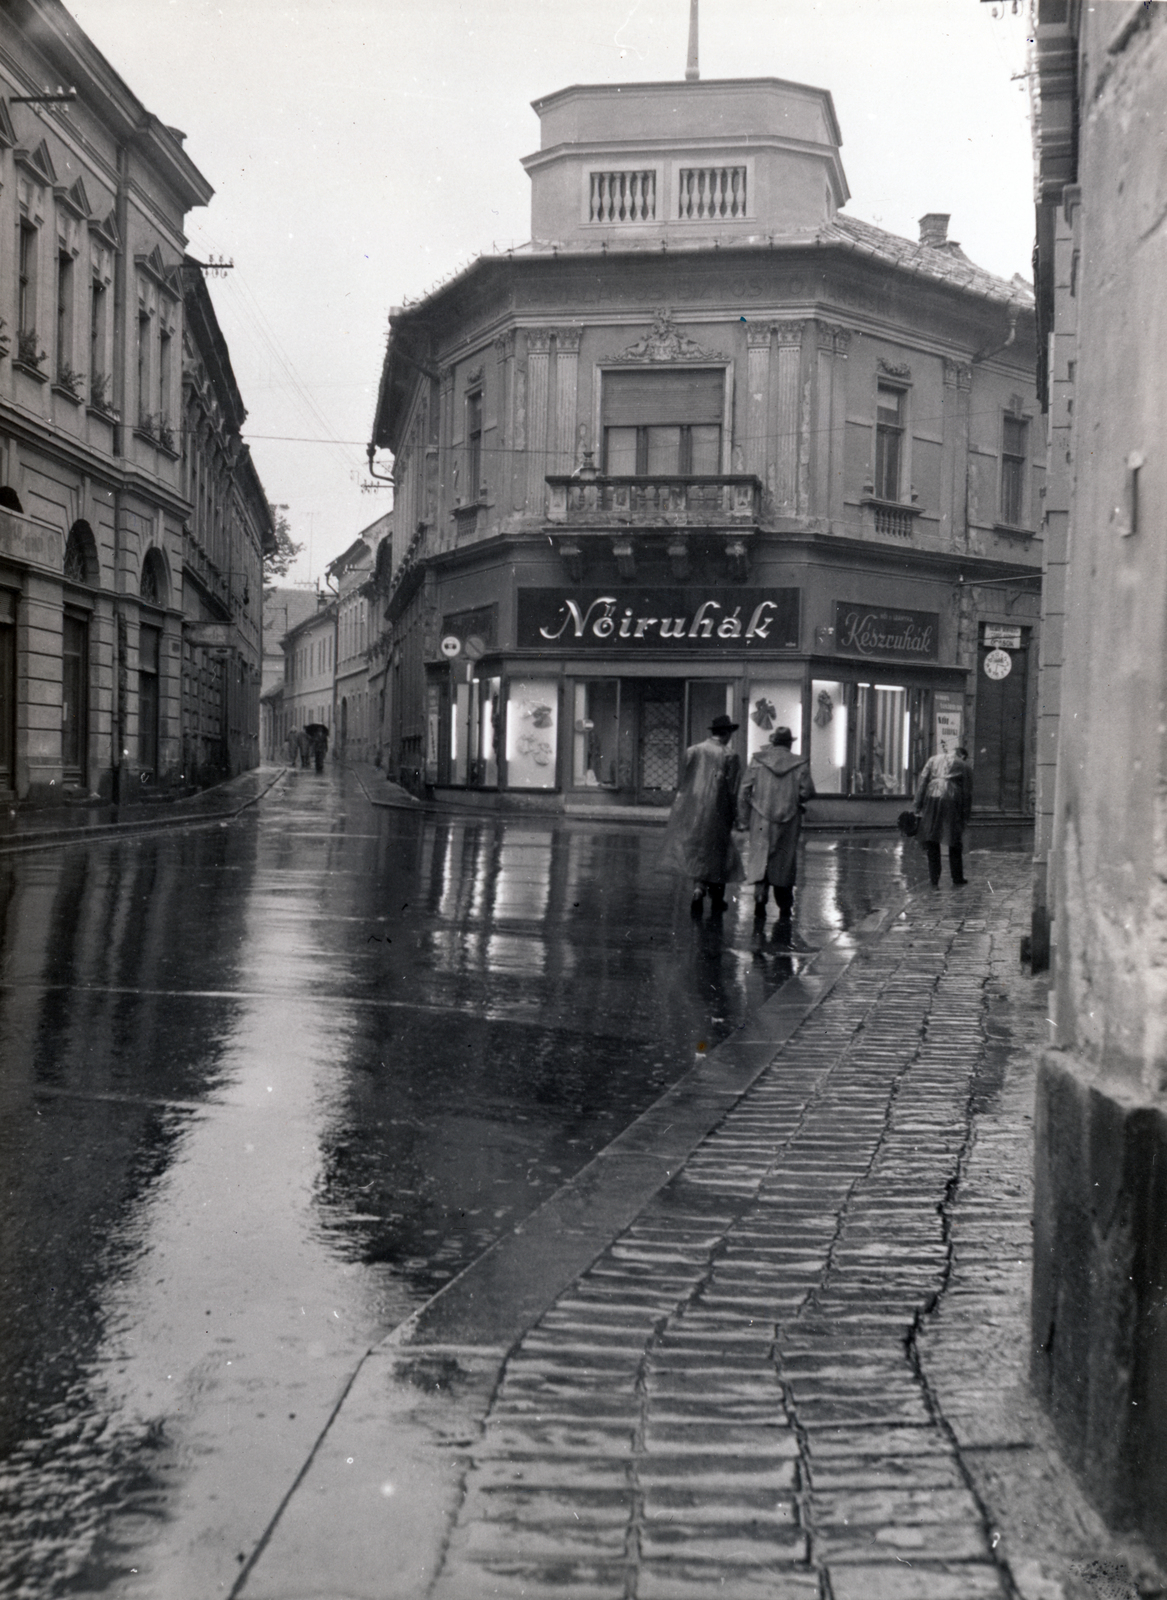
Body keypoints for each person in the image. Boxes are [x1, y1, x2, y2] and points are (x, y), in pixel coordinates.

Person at [659, 713, 744, 917]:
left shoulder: (693, 750)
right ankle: (717, 899)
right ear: (726, 734)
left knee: (699, 850)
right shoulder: (730, 755)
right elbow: (733, 789)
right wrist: (736, 816)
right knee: (718, 853)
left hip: (693, 809)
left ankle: (698, 889)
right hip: (718, 810)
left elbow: (684, 782)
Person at [739, 726, 815, 940]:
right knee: (784, 861)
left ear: (773, 743)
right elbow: (807, 791)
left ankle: (760, 896)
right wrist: (797, 800)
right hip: (788, 819)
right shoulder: (799, 763)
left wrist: (744, 818)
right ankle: (784, 906)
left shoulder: (757, 760)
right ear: (789, 743)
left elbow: (744, 790)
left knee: (760, 857)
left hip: (760, 817)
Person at [913, 743, 973, 887]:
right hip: (953, 799)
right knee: (954, 838)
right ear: (963, 755)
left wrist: (918, 804)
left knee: (932, 838)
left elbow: (922, 782)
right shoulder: (964, 765)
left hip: (931, 797)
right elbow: (967, 792)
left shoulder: (933, 759)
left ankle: (934, 879)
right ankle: (957, 877)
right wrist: (965, 815)